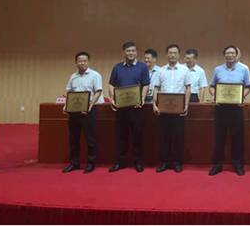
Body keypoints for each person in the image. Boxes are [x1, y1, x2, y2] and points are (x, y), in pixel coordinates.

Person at [208, 45, 250, 176]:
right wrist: (214, 96)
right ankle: (217, 165)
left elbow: (248, 87)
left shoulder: (244, 69)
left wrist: (242, 97)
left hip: (236, 108)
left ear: (236, 55)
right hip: (221, 108)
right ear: (224, 55)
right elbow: (212, 86)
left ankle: (238, 164)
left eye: (232, 53)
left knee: (237, 137)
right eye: (228, 53)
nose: (230, 55)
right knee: (219, 137)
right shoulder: (218, 69)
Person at [108, 41, 150, 173]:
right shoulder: (117, 67)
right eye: (128, 51)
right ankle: (120, 162)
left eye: (133, 51)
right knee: (121, 135)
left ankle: (138, 162)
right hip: (121, 108)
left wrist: (142, 99)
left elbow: (146, 84)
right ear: (124, 53)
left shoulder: (142, 67)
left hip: (137, 107)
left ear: (136, 52)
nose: (130, 53)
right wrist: (112, 98)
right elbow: (111, 84)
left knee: (137, 135)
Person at [62, 51, 103, 174]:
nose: (82, 63)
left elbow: (98, 91)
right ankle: (74, 163)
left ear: (88, 62)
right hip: (74, 111)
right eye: (80, 61)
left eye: (85, 61)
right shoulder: (73, 77)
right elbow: (68, 92)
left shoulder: (95, 75)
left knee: (90, 138)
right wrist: (66, 105)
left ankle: (91, 163)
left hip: (89, 110)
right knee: (73, 138)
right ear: (76, 62)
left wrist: (90, 106)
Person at [152, 44, 191, 173]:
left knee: (178, 136)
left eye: (175, 53)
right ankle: (164, 162)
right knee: (164, 136)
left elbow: (188, 88)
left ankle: (177, 162)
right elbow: (156, 88)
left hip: (178, 109)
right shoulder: (160, 71)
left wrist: (186, 105)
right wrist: (154, 104)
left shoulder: (185, 70)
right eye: (170, 53)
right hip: (163, 109)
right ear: (166, 55)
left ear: (179, 55)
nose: (172, 55)